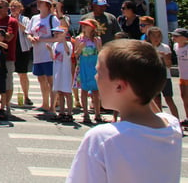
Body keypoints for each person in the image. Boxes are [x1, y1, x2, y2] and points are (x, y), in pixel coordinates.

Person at [66, 39, 182, 183]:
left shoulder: (102, 137)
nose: (96, 77)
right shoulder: (172, 127)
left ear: (119, 86)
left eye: (99, 72)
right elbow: (157, 113)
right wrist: (142, 87)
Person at [26, 0, 61, 112]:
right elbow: (29, 33)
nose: (38, 4)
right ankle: (45, 103)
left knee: (50, 80)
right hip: (37, 53)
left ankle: (53, 105)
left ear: (47, 5)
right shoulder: (34, 18)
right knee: (41, 79)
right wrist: (31, 38)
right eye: (38, 2)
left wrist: (42, 40)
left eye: (41, 2)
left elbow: (57, 37)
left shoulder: (53, 19)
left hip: (48, 53)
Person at [73, 19, 102, 124]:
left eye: (86, 25)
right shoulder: (79, 39)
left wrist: (98, 45)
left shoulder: (97, 39)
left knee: (96, 91)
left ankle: (97, 113)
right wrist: (80, 47)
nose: (84, 27)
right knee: (84, 90)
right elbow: (75, 54)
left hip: (94, 64)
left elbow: (100, 53)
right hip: (84, 64)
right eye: (83, 25)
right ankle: (85, 113)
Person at [148, 27, 179, 118]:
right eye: (153, 36)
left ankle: (176, 120)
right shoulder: (148, 47)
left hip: (165, 77)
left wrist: (164, 57)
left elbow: (169, 65)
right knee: (156, 100)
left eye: (158, 36)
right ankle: (160, 120)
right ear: (149, 36)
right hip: (153, 78)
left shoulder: (165, 47)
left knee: (169, 99)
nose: (156, 38)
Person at [10, 0, 34, 106]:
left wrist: (17, 22)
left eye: (15, 6)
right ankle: (5, 96)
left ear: (20, 8)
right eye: (11, 6)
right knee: (7, 73)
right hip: (10, 47)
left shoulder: (25, 19)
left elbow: (28, 30)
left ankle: (26, 96)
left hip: (22, 47)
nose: (13, 8)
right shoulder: (7, 18)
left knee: (22, 73)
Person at [51, 27, 73, 121]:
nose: (55, 35)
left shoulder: (68, 44)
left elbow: (68, 52)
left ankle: (69, 112)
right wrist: (49, 50)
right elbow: (53, 57)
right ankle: (62, 111)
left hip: (65, 70)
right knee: (60, 92)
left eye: (57, 33)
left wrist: (64, 40)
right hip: (57, 70)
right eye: (55, 34)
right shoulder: (55, 44)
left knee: (67, 92)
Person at [171, 27, 188, 125]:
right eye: (173, 35)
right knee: (184, 96)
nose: (174, 38)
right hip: (182, 76)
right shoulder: (176, 46)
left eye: (177, 36)